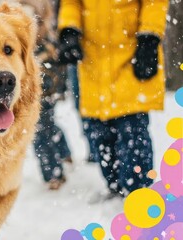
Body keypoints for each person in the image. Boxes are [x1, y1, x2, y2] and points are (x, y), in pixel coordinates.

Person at [58, 0, 167, 200]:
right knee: (98, 132)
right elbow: (71, 3)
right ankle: (114, 185)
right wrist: (69, 30)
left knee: (131, 129)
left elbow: (155, 2)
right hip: (94, 59)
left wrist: (150, 36)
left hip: (131, 52)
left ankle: (139, 190)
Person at [19, 0, 73, 190]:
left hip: (46, 88)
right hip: (27, 91)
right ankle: (63, 151)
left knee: (41, 128)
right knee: (46, 126)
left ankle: (53, 173)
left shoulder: (47, 42)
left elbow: (58, 68)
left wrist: (57, 88)